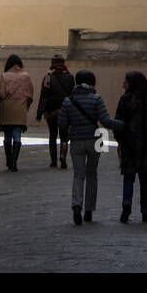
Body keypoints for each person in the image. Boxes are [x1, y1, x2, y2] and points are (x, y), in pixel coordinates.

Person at [58, 70, 123, 225]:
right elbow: (105, 121)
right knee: (92, 174)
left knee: (78, 174)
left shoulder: (68, 101)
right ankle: (89, 210)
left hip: (76, 140)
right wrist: (122, 125)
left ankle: (76, 204)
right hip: (96, 139)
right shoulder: (96, 99)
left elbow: (62, 124)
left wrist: (65, 140)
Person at [115, 71, 147, 223]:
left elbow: (119, 122)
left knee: (129, 177)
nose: (123, 84)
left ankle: (126, 206)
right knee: (145, 178)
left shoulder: (126, 99)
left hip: (130, 144)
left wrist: (120, 140)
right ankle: (145, 211)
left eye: (125, 81)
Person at [0, 54, 34, 171]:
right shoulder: (26, 76)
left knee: (7, 136)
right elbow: (30, 94)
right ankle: (14, 162)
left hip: (6, 108)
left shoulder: (4, 76)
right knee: (17, 135)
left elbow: (1, 94)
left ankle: (8, 161)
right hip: (20, 109)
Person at [36, 54, 74, 168]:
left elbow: (44, 96)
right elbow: (73, 95)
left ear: (52, 63)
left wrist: (40, 112)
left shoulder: (48, 77)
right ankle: (63, 156)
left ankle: (53, 161)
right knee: (64, 135)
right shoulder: (70, 77)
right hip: (65, 110)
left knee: (52, 135)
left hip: (51, 110)